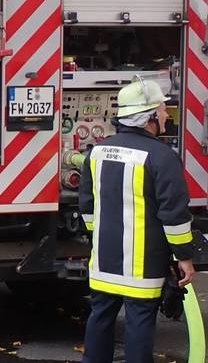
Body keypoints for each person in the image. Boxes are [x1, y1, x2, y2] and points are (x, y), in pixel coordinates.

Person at [79, 79, 196, 363]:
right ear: (150, 117)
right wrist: (184, 256)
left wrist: (97, 238)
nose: (167, 114)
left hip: (104, 260)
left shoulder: (97, 152)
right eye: (163, 109)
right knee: (140, 325)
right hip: (143, 266)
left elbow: (87, 206)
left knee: (100, 318)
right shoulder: (162, 157)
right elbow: (174, 215)